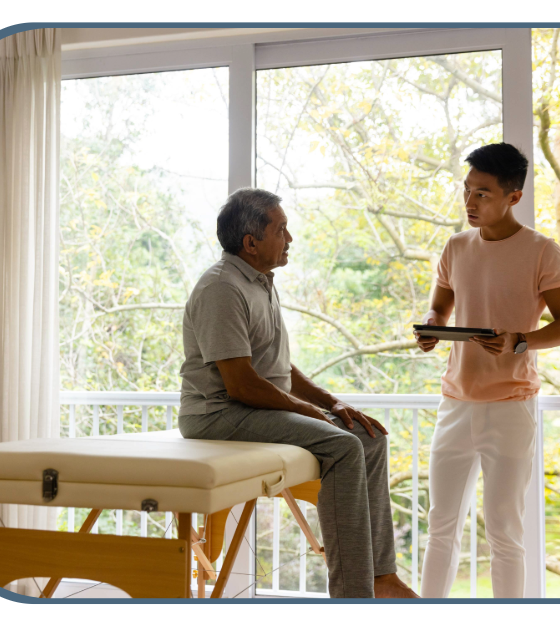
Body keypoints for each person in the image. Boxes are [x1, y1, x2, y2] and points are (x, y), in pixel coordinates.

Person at [178, 187, 417, 598]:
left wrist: (332, 403)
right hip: (216, 414)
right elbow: (241, 383)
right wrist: (311, 413)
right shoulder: (222, 288)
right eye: (281, 230)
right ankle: (353, 595)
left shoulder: (260, 282)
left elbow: (278, 367)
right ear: (251, 243)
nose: (289, 239)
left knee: (369, 439)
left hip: (252, 408)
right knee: (342, 446)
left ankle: (381, 577)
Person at [417, 142, 560, 598]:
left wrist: (520, 340)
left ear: (513, 196)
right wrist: (432, 326)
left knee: (505, 532)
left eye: (482, 194)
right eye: (467, 191)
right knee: (440, 526)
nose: (470, 202)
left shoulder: (541, 251)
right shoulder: (456, 246)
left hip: (511, 407)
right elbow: (439, 305)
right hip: (455, 403)